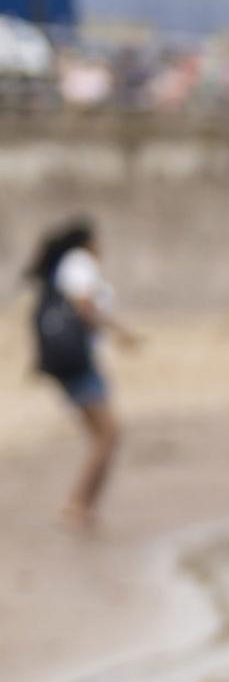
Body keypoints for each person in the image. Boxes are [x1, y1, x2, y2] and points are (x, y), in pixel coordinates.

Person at [27, 219, 139, 533]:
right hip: (79, 363)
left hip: (75, 362)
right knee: (109, 435)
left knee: (103, 436)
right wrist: (120, 333)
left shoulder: (68, 266)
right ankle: (77, 504)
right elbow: (84, 306)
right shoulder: (79, 264)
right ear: (88, 242)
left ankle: (82, 506)